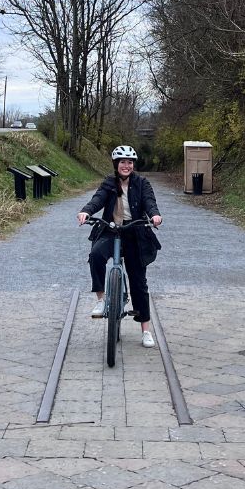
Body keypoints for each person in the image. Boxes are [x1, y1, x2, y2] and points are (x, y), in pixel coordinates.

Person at [78, 144, 164, 347]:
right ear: (116, 164)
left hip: (134, 232)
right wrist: (86, 211)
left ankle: (145, 330)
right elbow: (97, 200)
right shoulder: (109, 183)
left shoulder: (142, 183)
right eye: (122, 162)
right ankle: (101, 299)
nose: (126, 166)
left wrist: (154, 215)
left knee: (138, 283)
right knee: (96, 255)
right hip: (111, 229)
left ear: (133, 165)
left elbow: (150, 202)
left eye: (130, 162)